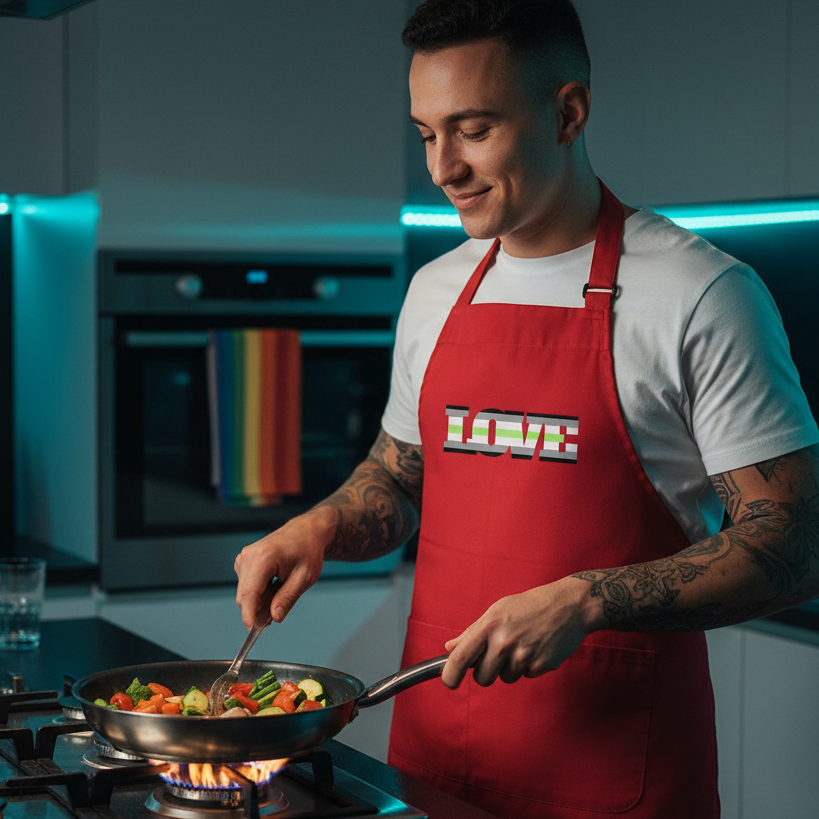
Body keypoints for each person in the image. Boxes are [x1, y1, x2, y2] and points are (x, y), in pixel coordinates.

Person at [234, 1, 819, 816]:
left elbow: (793, 544)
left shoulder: (699, 295)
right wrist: (320, 526)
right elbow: (398, 479)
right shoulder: (434, 288)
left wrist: (587, 599)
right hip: (433, 764)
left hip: (618, 778)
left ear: (568, 113)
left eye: (473, 130)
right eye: (426, 134)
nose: (442, 167)